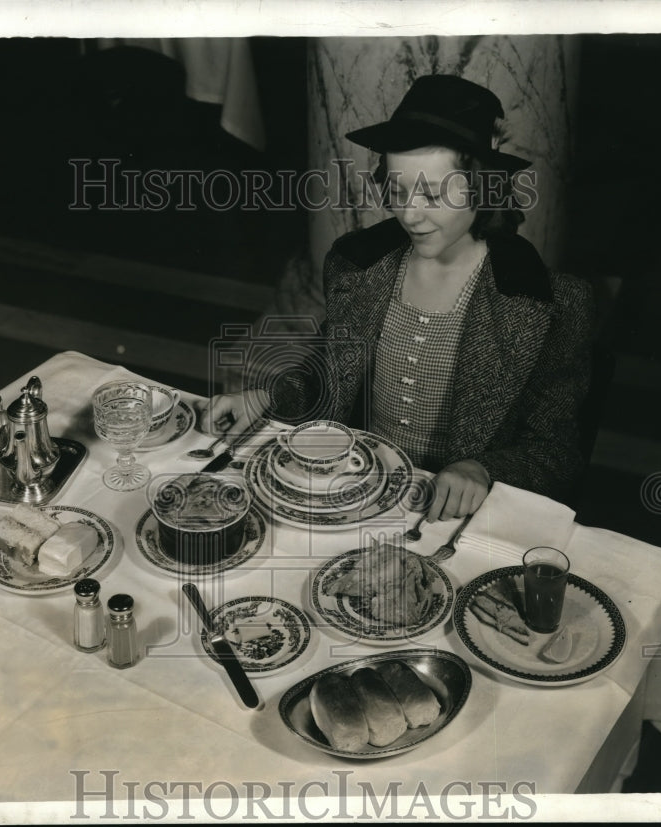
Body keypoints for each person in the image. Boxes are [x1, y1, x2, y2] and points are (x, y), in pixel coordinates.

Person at [201, 75, 595, 522]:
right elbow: (329, 383)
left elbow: (556, 453)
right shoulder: (359, 266)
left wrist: (482, 470)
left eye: (431, 194)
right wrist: (268, 398)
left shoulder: (550, 304)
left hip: (452, 522)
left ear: (482, 187)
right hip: (353, 493)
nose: (409, 214)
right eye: (398, 191)